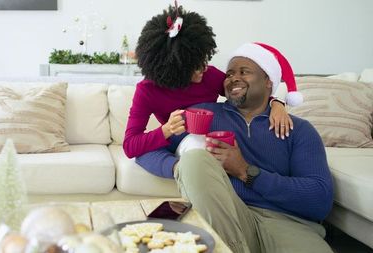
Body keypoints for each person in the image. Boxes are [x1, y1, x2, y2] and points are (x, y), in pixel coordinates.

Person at [136, 42, 333, 253]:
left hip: (288, 224)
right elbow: (144, 151)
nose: (233, 78)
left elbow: (319, 200)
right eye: (229, 74)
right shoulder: (202, 114)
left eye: (244, 71)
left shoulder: (299, 130)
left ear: (268, 81)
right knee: (194, 159)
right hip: (227, 218)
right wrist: (179, 168)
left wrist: (245, 171)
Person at [123, 2, 293, 159]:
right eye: (196, 67)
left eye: (204, 60)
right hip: (182, 144)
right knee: (145, 158)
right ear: (176, 69)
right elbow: (130, 146)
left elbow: (245, 94)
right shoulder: (147, 91)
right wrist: (166, 130)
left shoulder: (209, 75)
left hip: (214, 139)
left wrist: (276, 104)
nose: (204, 68)